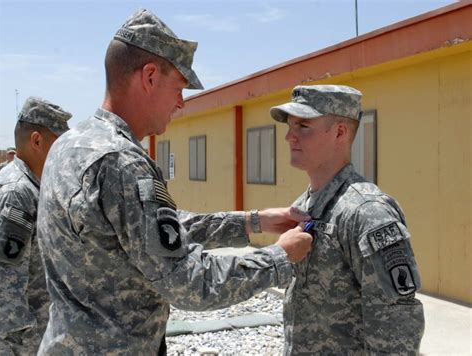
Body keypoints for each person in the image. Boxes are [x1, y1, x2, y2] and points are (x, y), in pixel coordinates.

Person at [36, 9, 313, 355]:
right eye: (178, 88)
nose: (181, 103)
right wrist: (279, 258)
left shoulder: (71, 145)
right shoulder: (121, 162)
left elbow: (150, 231)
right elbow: (189, 282)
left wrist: (251, 221)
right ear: (150, 76)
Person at [270, 85, 425, 354]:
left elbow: (396, 328)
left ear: (340, 132)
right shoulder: (303, 206)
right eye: (290, 126)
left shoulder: (367, 212)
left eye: (303, 126)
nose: (289, 137)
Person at [0, 97, 71, 355]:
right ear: (37, 141)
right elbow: (4, 288)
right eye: (59, 145)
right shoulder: (17, 193)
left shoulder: (32, 187)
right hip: (18, 343)